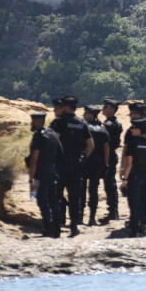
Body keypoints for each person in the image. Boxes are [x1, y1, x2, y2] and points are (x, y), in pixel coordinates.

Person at [50, 96, 94, 236]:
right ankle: (74, 225)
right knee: (74, 195)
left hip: (61, 162)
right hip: (76, 161)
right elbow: (91, 145)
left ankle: (56, 225)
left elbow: (54, 142)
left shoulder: (59, 122)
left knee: (57, 193)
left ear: (66, 107)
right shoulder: (82, 123)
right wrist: (83, 157)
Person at [120, 117, 146, 237]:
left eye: (134, 127)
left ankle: (134, 229)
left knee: (135, 203)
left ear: (140, 130)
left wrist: (124, 179)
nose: (131, 129)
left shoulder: (132, 144)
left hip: (135, 176)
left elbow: (128, 164)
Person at [27, 112, 62, 237]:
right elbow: (60, 153)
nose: (31, 124)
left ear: (37, 122)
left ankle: (48, 229)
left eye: (33, 121)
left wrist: (31, 180)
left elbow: (34, 160)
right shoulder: (52, 134)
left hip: (41, 172)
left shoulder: (38, 136)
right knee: (53, 200)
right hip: (52, 171)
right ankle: (57, 229)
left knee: (42, 200)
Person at [81, 104, 110, 225]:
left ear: (91, 115)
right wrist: (106, 164)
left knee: (81, 189)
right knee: (93, 190)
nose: (83, 115)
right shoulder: (103, 129)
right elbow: (106, 148)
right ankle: (92, 217)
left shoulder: (84, 127)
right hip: (98, 162)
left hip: (86, 160)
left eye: (86, 113)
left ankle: (79, 216)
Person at [101, 98, 122, 222]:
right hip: (110, 154)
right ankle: (113, 210)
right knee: (109, 183)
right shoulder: (112, 122)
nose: (103, 108)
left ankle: (113, 211)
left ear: (113, 109)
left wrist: (106, 161)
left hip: (108, 155)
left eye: (106, 106)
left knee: (109, 183)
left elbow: (107, 144)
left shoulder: (109, 124)